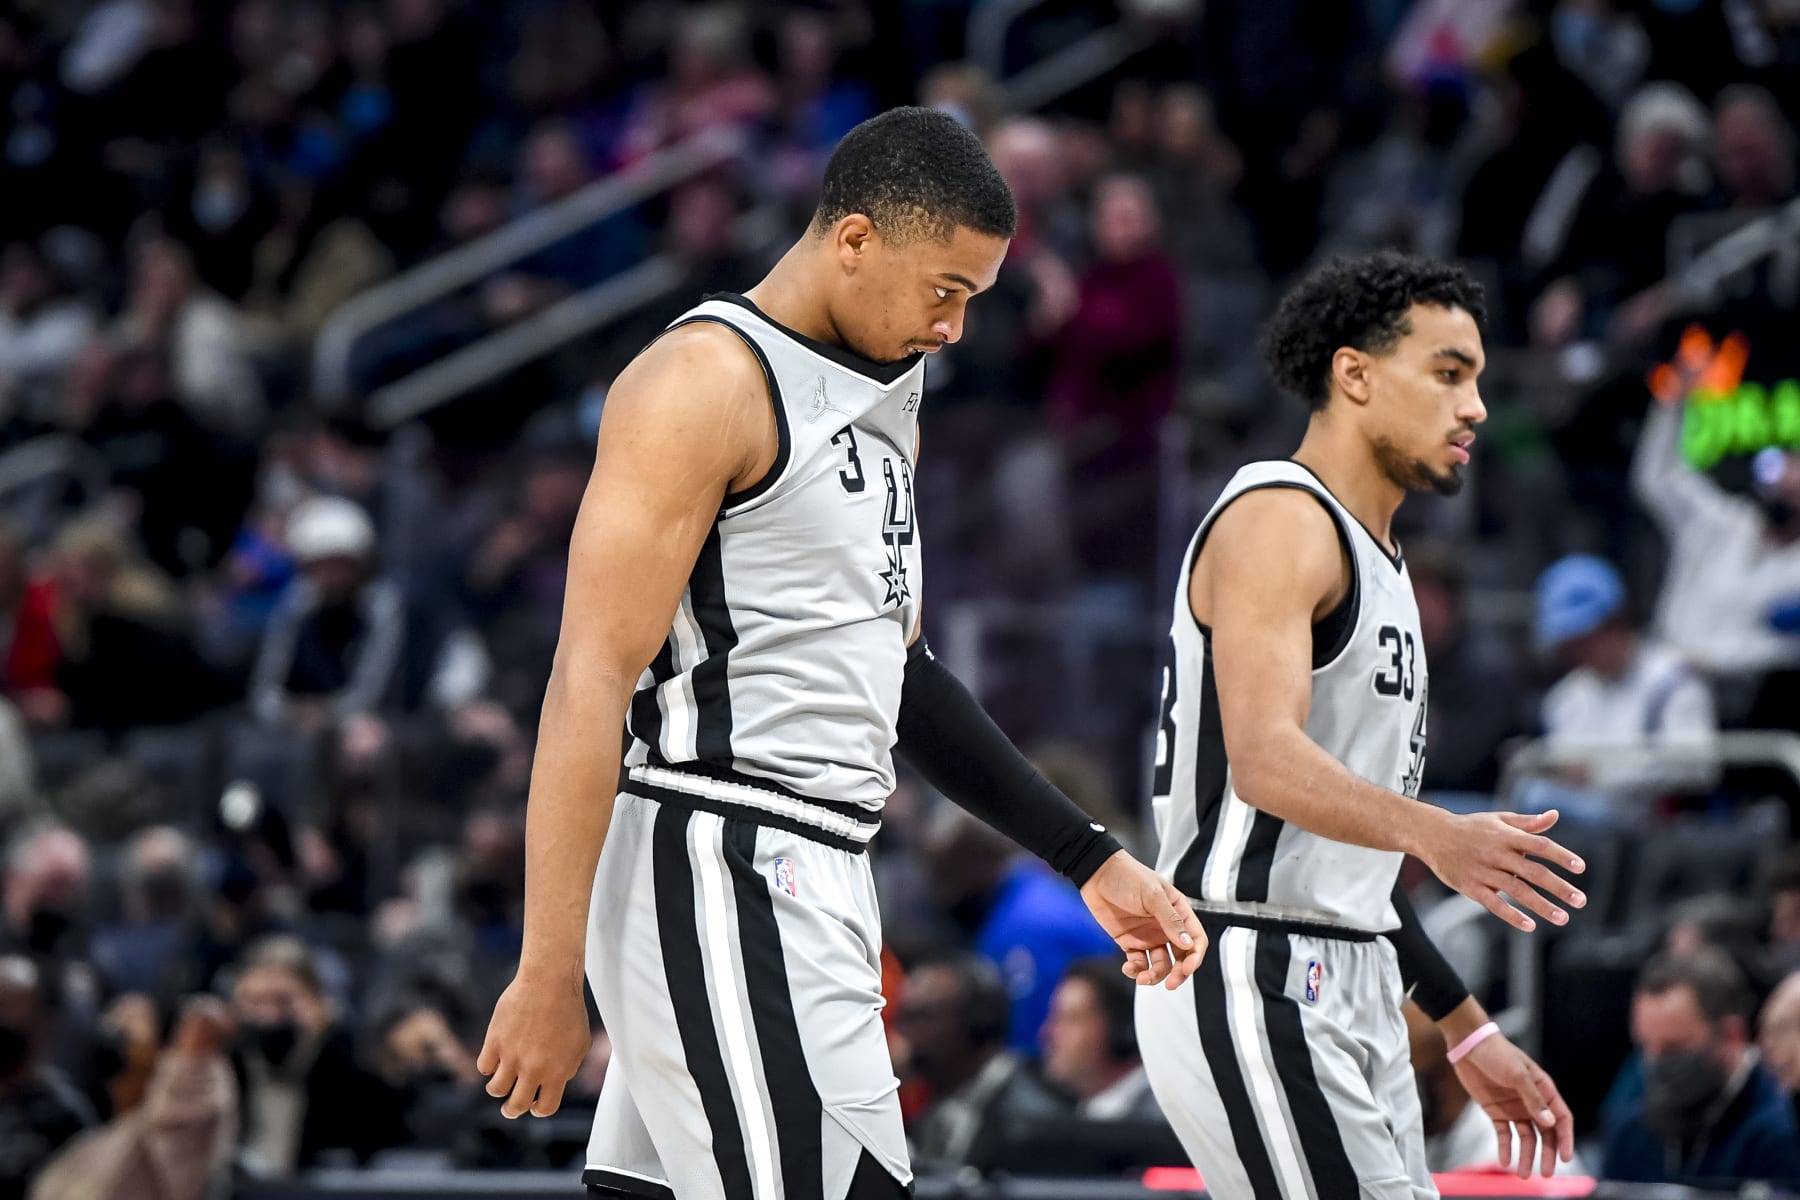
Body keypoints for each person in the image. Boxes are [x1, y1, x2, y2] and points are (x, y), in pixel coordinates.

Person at [475, 107, 1207, 1200]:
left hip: (815, 861)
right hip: (722, 853)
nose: (955, 327)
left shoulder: (887, 386)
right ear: (856, 239)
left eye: (975, 297)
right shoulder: (703, 381)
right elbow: (588, 679)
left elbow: (896, 674)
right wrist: (548, 966)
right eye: (945, 290)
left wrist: (1088, 856)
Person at [1135, 251, 1587, 1199]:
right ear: (1355, 374)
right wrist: (1439, 834)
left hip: (1351, 969)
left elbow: (1348, 865)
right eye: (1449, 373)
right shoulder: (1280, 517)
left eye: (1478, 380)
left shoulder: (1381, 561)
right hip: (1251, 958)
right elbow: (1265, 761)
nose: (1475, 408)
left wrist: (1466, 1028)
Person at [1602, 948, 1800, 1185]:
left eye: (1674, 1048)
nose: (1655, 1062)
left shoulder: (1782, 1129)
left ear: (1732, 1034)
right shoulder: (1631, 1131)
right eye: (1645, 1045)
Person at [895, 952, 1069, 1170]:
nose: (901, 1034)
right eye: (902, 1018)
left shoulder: (1032, 1121)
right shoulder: (933, 1112)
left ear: (978, 1023)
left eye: (920, 1017)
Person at [1042, 956, 1162, 1122]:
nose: (1048, 1033)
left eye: (1071, 1019)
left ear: (1120, 1030)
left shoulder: (1161, 1118)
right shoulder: (1089, 1111)